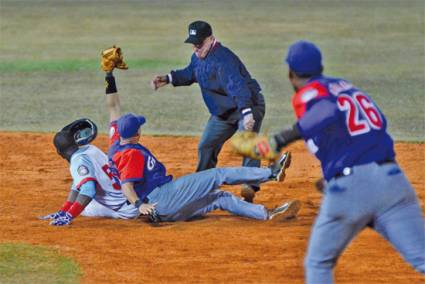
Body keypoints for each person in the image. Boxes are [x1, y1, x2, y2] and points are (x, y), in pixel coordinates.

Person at [232, 40, 425, 282]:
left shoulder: (309, 94)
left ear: (291, 74)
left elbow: (325, 111)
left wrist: (279, 140)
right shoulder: (347, 87)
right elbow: (374, 127)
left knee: (318, 264)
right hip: (393, 181)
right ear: (320, 66)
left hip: (352, 189)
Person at [103, 66, 300, 223]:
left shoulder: (116, 142)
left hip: (166, 211)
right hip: (160, 200)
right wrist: (139, 205)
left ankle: (268, 214)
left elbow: (113, 108)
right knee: (217, 175)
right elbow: (126, 185)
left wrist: (109, 75)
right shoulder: (131, 154)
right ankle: (271, 173)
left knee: (220, 198)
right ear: (137, 133)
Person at [151, 20, 266, 203]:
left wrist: (247, 113)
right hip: (223, 112)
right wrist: (168, 78)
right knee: (206, 145)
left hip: (248, 104)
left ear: (211, 39)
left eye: (199, 44)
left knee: (247, 139)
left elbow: (238, 86)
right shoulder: (198, 57)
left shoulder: (223, 59)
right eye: (194, 44)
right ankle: (201, 187)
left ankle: (249, 187)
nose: (196, 48)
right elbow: (191, 73)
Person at [40, 119, 139, 226]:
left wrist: (69, 216)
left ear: (60, 152)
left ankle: (118, 214)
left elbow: (88, 190)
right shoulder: (90, 149)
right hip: (133, 197)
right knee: (82, 197)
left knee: (85, 205)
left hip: (125, 210)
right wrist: (63, 211)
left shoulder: (78, 160)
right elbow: (77, 186)